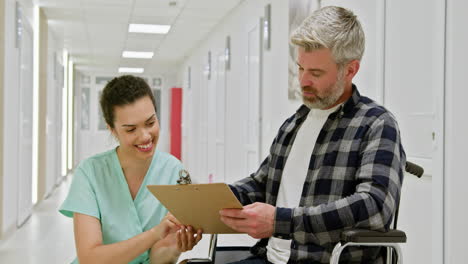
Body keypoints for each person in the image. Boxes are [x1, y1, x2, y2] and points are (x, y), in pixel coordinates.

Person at [219, 6, 405, 264]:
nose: (302, 81)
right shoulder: (294, 123)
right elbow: (262, 184)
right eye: (300, 68)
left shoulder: (376, 124)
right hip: (269, 257)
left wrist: (280, 221)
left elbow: (373, 208)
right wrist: (207, 202)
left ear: (350, 70)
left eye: (316, 73)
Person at [59, 75, 202, 264]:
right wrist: (154, 234)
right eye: (131, 129)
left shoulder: (174, 171)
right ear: (112, 129)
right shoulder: (90, 173)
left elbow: (160, 256)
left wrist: (174, 246)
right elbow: (90, 258)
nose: (145, 136)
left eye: (150, 123)